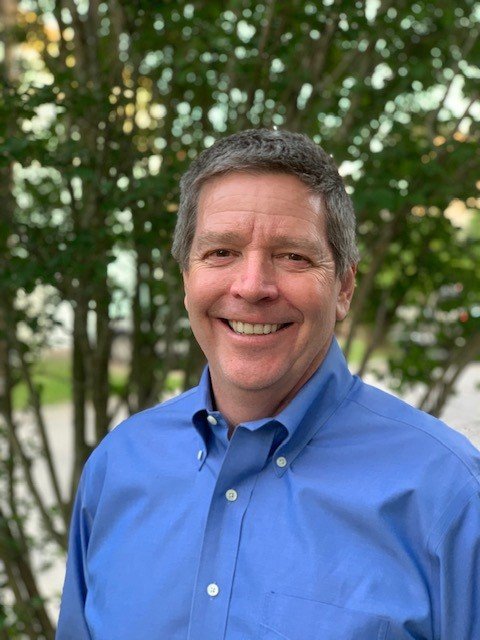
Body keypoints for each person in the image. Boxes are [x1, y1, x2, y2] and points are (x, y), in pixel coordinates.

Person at [57, 129, 480, 639]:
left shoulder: (449, 496)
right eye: (221, 252)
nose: (252, 286)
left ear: (343, 287)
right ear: (187, 277)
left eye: (293, 256)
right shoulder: (118, 466)